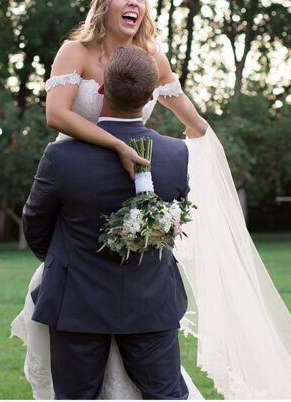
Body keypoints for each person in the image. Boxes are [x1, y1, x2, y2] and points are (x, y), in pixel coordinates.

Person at [10, 0, 291, 400]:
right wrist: (118, 146)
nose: (135, 3)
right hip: (81, 178)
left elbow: (177, 102)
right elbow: (57, 115)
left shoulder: (151, 55)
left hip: (136, 178)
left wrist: (202, 135)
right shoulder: (75, 51)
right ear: (104, 5)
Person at [23, 45, 192, 400]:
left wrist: (68, 259)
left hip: (76, 302)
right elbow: (172, 224)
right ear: (150, 97)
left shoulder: (61, 157)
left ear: (101, 88)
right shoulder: (175, 154)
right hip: (152, 301)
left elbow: (35, 226)